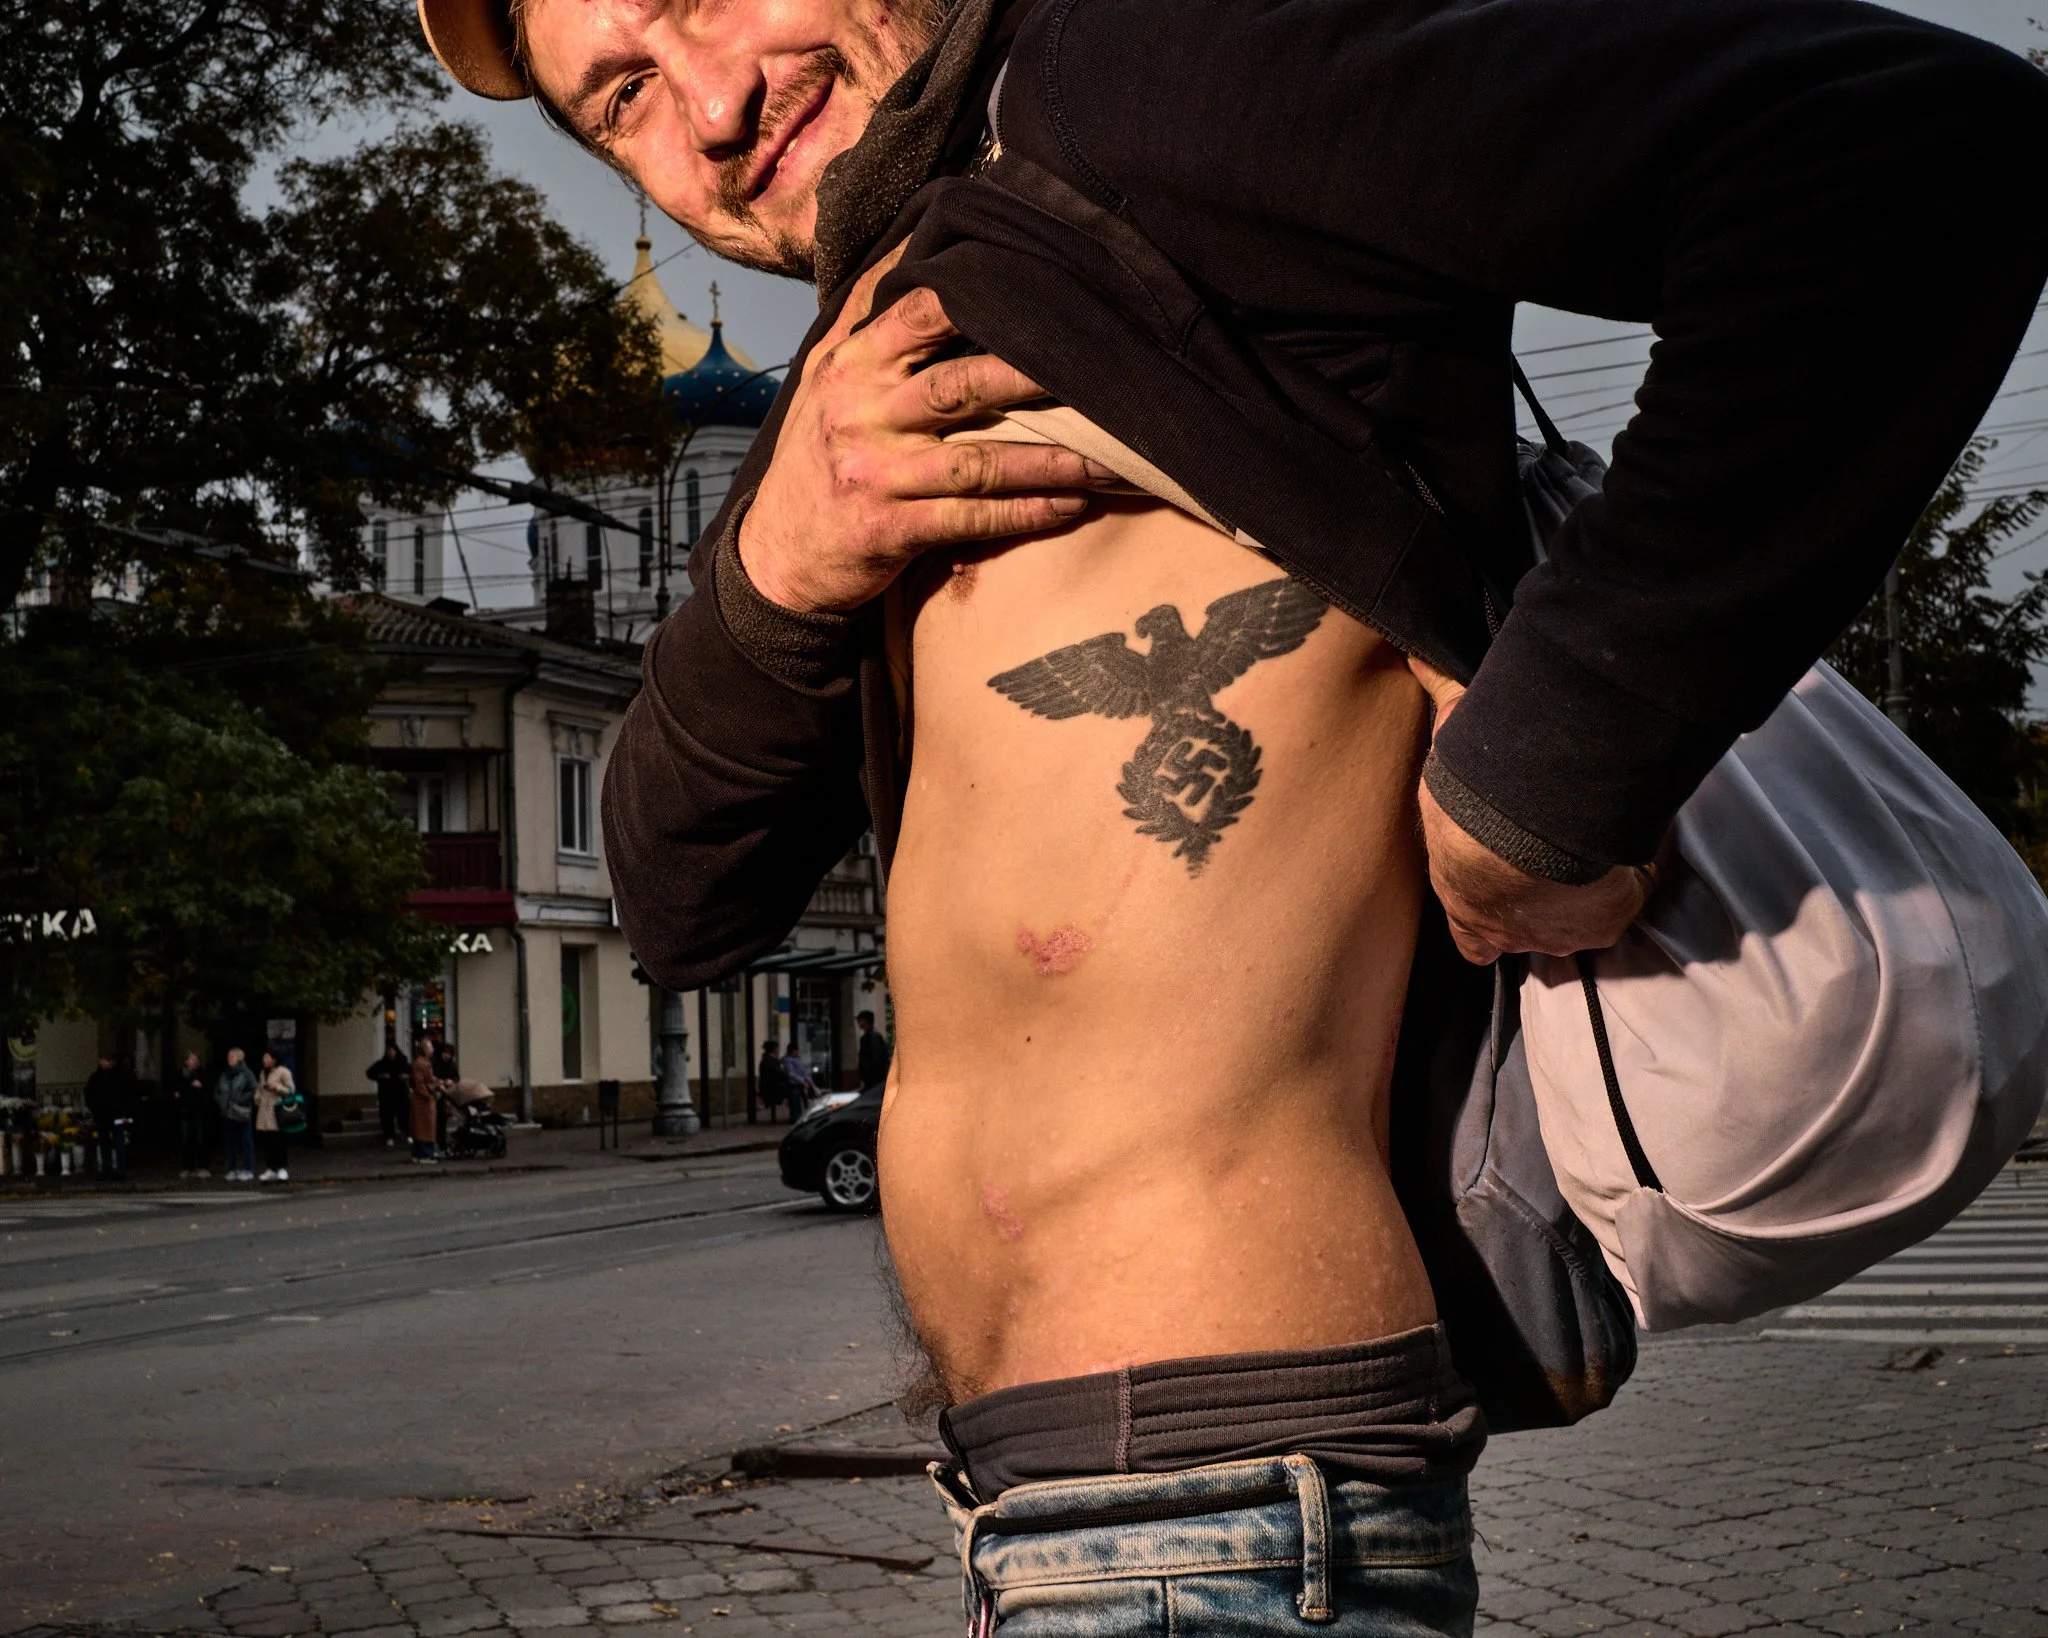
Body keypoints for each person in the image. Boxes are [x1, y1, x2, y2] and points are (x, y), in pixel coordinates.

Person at [419, 0, 2048, 1629]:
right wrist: (777, 566)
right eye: (620, 92)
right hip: (1061, 1512)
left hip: (1224, 1506)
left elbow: (1903, 149)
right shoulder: (871, 360)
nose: (704, 106)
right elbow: (678, 897)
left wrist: (1549, 770)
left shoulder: (1139, 73)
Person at [82, 1055, 129, 1181]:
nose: (107, 1063)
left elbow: (125, 1096)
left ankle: (119, 1170)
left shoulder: (117, 1077)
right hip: (102, 1115)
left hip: (114, 1115)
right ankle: (107, 1169)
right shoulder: (96, 1078)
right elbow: (89, 1096)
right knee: (105, 1143)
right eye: (106, 1061)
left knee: (118, 1143)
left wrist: (124, 1113)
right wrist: (95, 1109)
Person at [215, 1048, 257, 1182]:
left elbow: (253, 1089)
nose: (229, 1059)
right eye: (228, 1057)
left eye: (232, 1057)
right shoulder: (225, 1075)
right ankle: (232, 1169)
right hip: (227, 1113)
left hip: (241, 1112)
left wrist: (241, 1099)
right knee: (230, 1143)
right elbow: (217, 1090)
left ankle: (247, 1169)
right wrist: (220, 1101)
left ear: (239, 1058)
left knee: (245, 1142)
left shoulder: (246, 1073)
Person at [254, 1051, 294, 1183]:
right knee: (267, 1142)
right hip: (264, 1112)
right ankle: (271, 1168)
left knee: (278, 1141)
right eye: (263, 1057)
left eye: (267, 1057)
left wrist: (277, 1087)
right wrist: (257, 1098)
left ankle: (282, 1168)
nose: (264, 1060)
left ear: (274, 1059)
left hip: (277, 1111)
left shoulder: (283, 1072)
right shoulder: (262, 1073)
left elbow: (291, 1090)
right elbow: (259, 1089)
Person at [366, 1043, 410, 1148]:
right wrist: (380, 1076)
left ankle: (406, 1133)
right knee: (387, 1116)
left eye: (392, 1051)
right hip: (386, 1094)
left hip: (400, 1094)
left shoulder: (402, 1063)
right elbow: (369, 1073)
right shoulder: (382, 1064)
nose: (390, 1053)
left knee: (404, 1115)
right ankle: (389, 1136)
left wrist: (407, 1077)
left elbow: (412, 1073)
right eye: (388, 1051)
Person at [176, 1052, 211, 1178]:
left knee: (200, 1139)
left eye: (196, 1059)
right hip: (186, 1111)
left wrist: (197, 1087)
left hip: (199, 1111)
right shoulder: (181, 1074)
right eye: (191, 1059)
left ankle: (203, 1166)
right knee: (187, 1140)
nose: (194, 1062)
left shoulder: (202, 1074)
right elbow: (179, 1091)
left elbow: (205, 1089)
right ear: (186, 1062)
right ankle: (187, 1166)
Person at [408, 1038, 441, 1164]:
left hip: (424, 1099)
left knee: (422, 1127)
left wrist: (437, 1082)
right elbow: (420, 1083)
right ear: (425, 1049)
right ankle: (425, 1155)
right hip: (423, 1101)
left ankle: (418, 1154)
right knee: (424, 1127)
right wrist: (428, 1094)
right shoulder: (420, 1064)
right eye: (430, 1047)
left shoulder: (424, 1062)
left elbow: (427, 1079)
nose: (432, 1049)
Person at [855, 1011, 892, 1092]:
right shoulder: (868, 1036)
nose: (858, 1022)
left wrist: (873, 1078)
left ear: (865, 1021)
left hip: (874, 1082)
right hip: (871, 1082)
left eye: (860, 1020)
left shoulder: (872, 1037)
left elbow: (876, 1059)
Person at [756, 1038, 790, 1123]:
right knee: (793, 1089)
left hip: (772, 1084)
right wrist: (786, 1074)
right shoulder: (769, 1060)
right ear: (773, 1049)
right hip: (771, 1087)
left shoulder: (770, 1059)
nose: (778, 1050)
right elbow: (777, 1073)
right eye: (777, 1048)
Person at [781, 1044, 818, 1119]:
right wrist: (803, 1082)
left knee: (808, 1096)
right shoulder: (787, 1060)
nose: (797, 1053)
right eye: (796, 1051)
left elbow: (803, 1073)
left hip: (801, 1083)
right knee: (797, 1096)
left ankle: (804, 1113)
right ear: (792, 1051)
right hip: (794, 1084)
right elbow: (791, 1074)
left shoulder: (797, 1059)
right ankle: (796, 1116)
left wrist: (809, 1082)